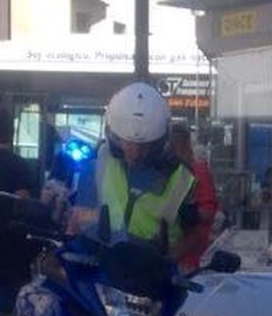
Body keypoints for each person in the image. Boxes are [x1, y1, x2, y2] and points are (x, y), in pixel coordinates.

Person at [69, 84, 200, 261]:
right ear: (114, 136)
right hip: (103, 266)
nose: (136, 153)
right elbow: (77, 220)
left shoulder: (181, 178)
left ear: (159, 141)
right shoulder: (97, 165)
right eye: (128, 143)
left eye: (145, 146)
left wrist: (170, 259)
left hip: (153, 272)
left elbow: (195, 233)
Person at [168, 122, 220, 272]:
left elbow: (208, 213)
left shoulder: (197, 171)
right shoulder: (168, 172)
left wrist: (187, 212)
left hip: (189, 259)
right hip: (170, 255)